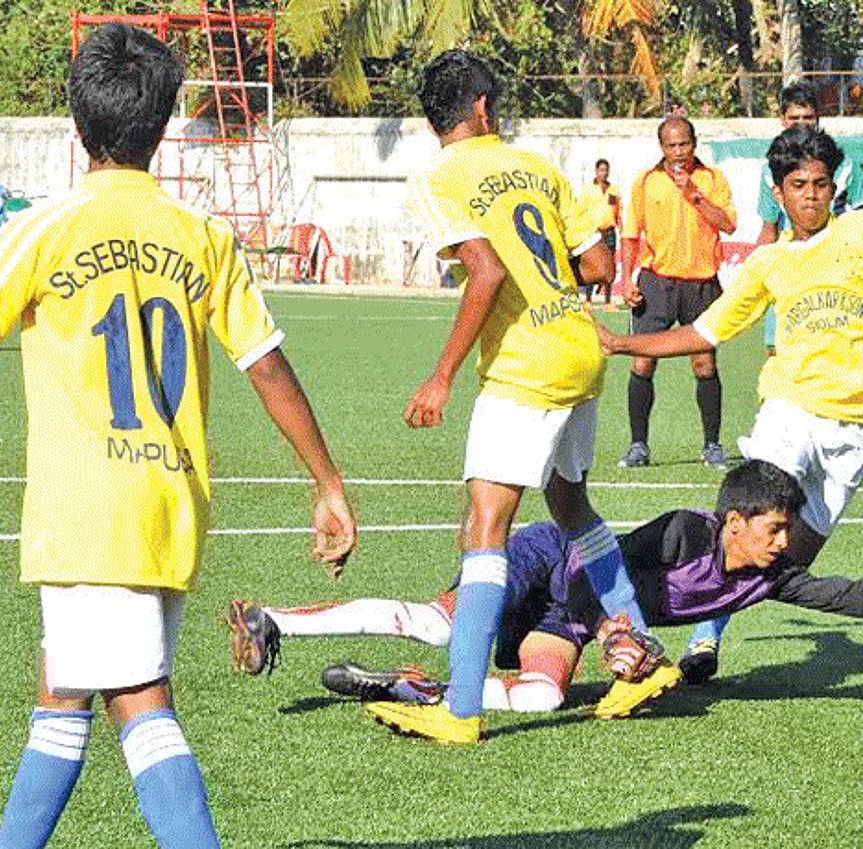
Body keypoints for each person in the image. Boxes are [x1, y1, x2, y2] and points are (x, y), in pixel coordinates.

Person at [0, 24, 358, 849]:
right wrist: (326, 481)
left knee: (140, 700)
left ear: (76, 120)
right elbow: (265, 363)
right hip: (170, 502)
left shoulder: (43, 230)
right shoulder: (204, 236)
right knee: (64, 687)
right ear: (165, 121)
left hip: (85, 512)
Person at [368, 49, 674, 745]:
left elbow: (485, 270)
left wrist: (442, 374)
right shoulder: (535, 166)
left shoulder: (440, 177)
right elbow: (597, 264)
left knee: (485, 525)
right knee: (570, 504)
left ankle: (463, 705)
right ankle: (642, 653)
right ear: (482, 108)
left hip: (525, 366)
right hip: (580, 343)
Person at [598, 125, 863, 686]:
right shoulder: (768, 263)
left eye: (821, 184)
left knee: (788, 562)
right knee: (750, 529)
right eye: (798, 185)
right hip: (789, 413)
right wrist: (623, 343)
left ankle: (712, 622)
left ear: (834, 187)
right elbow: (705, 332)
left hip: (856, 428)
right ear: (779, 192)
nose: (811, 195)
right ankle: (705, 637)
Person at [227, 461, 863, 718]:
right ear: (736, 520)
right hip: (550, 561)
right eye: (776, 527)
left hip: (571, 615)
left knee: (546, 698)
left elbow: (851, 597)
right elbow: (597, 563)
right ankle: (276, 620)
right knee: (435, 620)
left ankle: (409, 691)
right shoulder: (686, 531)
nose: (786, 543)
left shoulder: (768, 576)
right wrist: (620, 635)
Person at [618, 116, 738, 471]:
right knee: (642, 361)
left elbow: (728, 223)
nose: (678, 152)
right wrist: (627, 280)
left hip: (701, 285)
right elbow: (630, 234)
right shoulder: (645, 181)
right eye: (671, 146)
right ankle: (639, 445)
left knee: (704, 364)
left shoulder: (712, 179)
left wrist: (694, 195)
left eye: (684, 144)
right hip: (657, 283)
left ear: (694, 143)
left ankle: (712, 445)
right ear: (661, 148)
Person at [757, 81, 863, 354]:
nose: (801, 125)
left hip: (835, 267)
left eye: (807, 118)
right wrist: (761, 273)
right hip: (790, 266)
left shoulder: (845, 166)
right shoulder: (770, 169)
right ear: (783, 121)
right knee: (778, 352)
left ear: (818, 119)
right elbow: (769, 228)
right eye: (794, 118)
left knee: (834, 352)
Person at [574, 158, 621, 304]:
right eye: (601, 170)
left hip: (609, 231)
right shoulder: (587, 190)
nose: (604, 173)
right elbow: (579, 211)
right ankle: (588, 299)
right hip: (593, 233)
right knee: (592, 265)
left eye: (606, 170)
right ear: (596, 172)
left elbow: (618, 211)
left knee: (609, 266)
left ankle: (608, 301)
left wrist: (621, 229)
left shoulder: (613, 190)